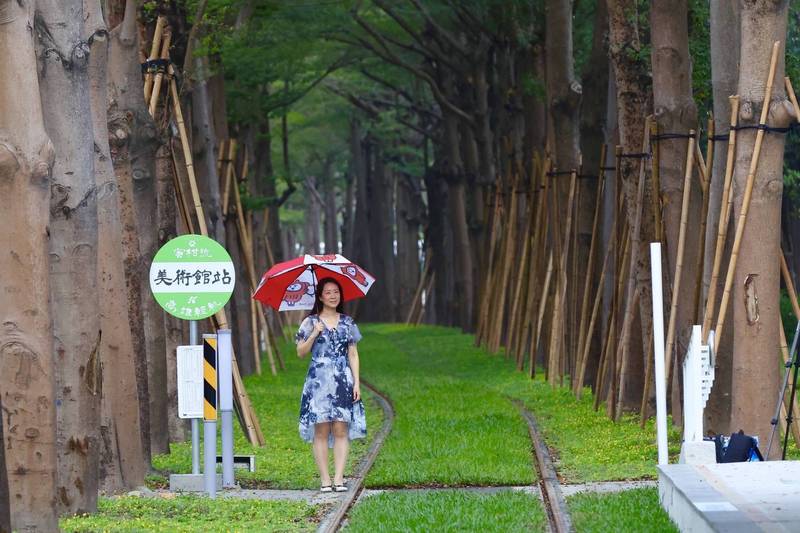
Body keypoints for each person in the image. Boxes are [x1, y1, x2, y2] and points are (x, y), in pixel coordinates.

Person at [295, 277, 366, 493]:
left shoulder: (348, 322)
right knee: (321, 430)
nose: (333, 296)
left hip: (343, 380)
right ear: (320, 296)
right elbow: (300, 352)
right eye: (328, 292)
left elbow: (353, 353)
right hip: (318, 382)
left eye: (336, 292)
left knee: (341, 427)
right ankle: (325, 479)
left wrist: (356, 383)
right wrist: (315, 333)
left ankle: (339, 478)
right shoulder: (309, 322)